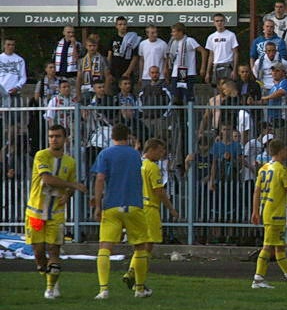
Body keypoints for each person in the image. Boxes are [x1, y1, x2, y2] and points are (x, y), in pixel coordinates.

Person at [24, 125, 87, 299]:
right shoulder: (41, 155)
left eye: (57, 136)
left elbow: (70, 185)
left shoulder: (70, 162)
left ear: (65, 139)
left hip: (57, 214)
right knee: (38, 253)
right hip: (36, 212)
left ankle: (51, 288)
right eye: (51, 136)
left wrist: (68, 194)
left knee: (53, 249)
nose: (53, 139)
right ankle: (50, 278)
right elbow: (47, 179)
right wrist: (73, 186)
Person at [91, 123, 153, 299]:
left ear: (112, 136)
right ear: (128, 136)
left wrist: (98, 204)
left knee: (105, 246)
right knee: (140, 246)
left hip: (111, 205)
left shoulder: (105, 154)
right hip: (134, 205)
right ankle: (139, 289)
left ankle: (103, 289)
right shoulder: (135, 155)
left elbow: (100, 178)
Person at [249, 139, 287, 288]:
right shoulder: (282, 170)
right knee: (268, 246)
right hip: (275, 212)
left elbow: (257, 191)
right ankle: (258, 279)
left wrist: (255, 211)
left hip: (267, 210)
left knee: (279, 247)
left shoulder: (264, 168)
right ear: (281, 151)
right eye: (286, 150)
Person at [122, 138, 179, 290]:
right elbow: (159, 191)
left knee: (140, 244)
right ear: (152, 149)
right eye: (160, 151)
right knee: (148, 246)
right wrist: (171, 208)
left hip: (136, 207)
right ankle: (134, 275)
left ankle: (133, 275)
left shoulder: (136, 165)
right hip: (150, 208)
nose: (162, 154)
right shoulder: (152, 167)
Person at [167, 22, 207, 104]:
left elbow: (203, 51)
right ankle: (181, 117)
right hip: (176, 73)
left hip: (188, 72)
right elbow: (170, 57)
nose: (172, 34)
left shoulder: (189, 40)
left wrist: (202, 67)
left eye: (174, 31)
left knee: (189, 96)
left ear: (180, 32)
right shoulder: (172, 42)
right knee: (176, 98)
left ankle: (190, 116)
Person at [204, 13, 239, 84]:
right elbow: (211, 55)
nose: (219, 23)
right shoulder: (211, 37)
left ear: (224, 22)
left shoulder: (231, 35)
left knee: (229, 89)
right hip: (216, 65)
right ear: (214, 23)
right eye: (217, 21)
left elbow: (235, 53)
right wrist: (207, 73)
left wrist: (234, 70)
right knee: (217, 89)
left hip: (228, 65)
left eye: (221, 21)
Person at [107, 16, 141, 81]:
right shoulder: (113, 39)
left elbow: (135, 57)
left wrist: (128, 72)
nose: (122, 26)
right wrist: (108, 72)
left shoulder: (132, 39)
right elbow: (109, 56)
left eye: (124, 24)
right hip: (114, 72)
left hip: (127, 71)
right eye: (120, 24)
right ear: (116, 26)